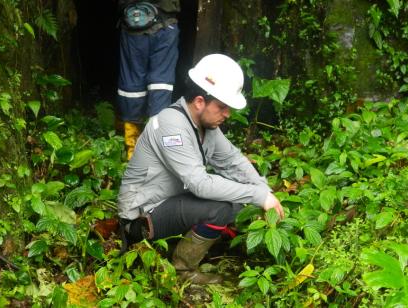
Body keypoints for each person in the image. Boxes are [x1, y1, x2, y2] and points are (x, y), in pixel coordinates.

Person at [117, 54, 285, 284]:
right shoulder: (170, 125)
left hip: (170, 205)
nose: (227, 114)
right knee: (220, 207)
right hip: (141, 219)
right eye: (222, 107)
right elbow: (200, 184)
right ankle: (182, 271)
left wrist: (264, 191)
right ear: (199, 101)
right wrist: (258, 196)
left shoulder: (206, 128)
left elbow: (232, 161)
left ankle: (191, 242)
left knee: (236, 199)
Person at [117, 0, 181, 160]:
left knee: (132, 85)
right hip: (165, 24)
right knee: (161, 83)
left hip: (133, 24)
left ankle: (132, 150)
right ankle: (156, 149)